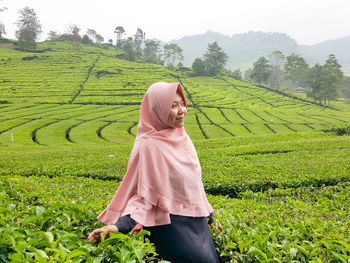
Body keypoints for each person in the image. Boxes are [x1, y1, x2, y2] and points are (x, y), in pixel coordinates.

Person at [88, 82, 222, 263]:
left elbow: (194, 184)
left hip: (196, 224)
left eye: (182, 103)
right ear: (157, 109)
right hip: (170, 227)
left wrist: (209, 216)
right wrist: (118, 226)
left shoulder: (183, 137)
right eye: (173, 106)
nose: (182, 110)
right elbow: (143, 195)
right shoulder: (148, 145)